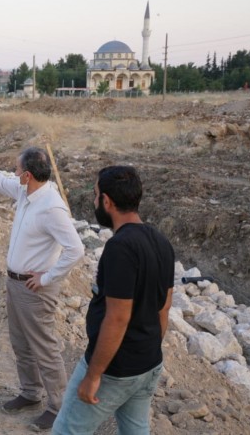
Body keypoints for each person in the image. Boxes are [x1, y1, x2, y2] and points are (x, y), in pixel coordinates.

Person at [0, 147, 84, 431]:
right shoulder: (26, 192)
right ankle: (31, 393)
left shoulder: (51, 207)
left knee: (44, 348)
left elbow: (76, 250)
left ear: (28, 175)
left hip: (35, 289)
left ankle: (58, 407)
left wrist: (47, 278)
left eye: (16, 170)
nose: (13, 174)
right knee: (21, 343)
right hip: (15, 283)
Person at [52, 166, 174, 435]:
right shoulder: (161, 241)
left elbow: (118, 317)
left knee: (66, 430)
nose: (95, 202)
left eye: (96, 196)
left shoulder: (120, 247)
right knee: (135, 430)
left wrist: (94, 375)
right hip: (148, 363)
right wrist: (147, 350)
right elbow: (164, 307)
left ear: (107, 201)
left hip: (115, 370)